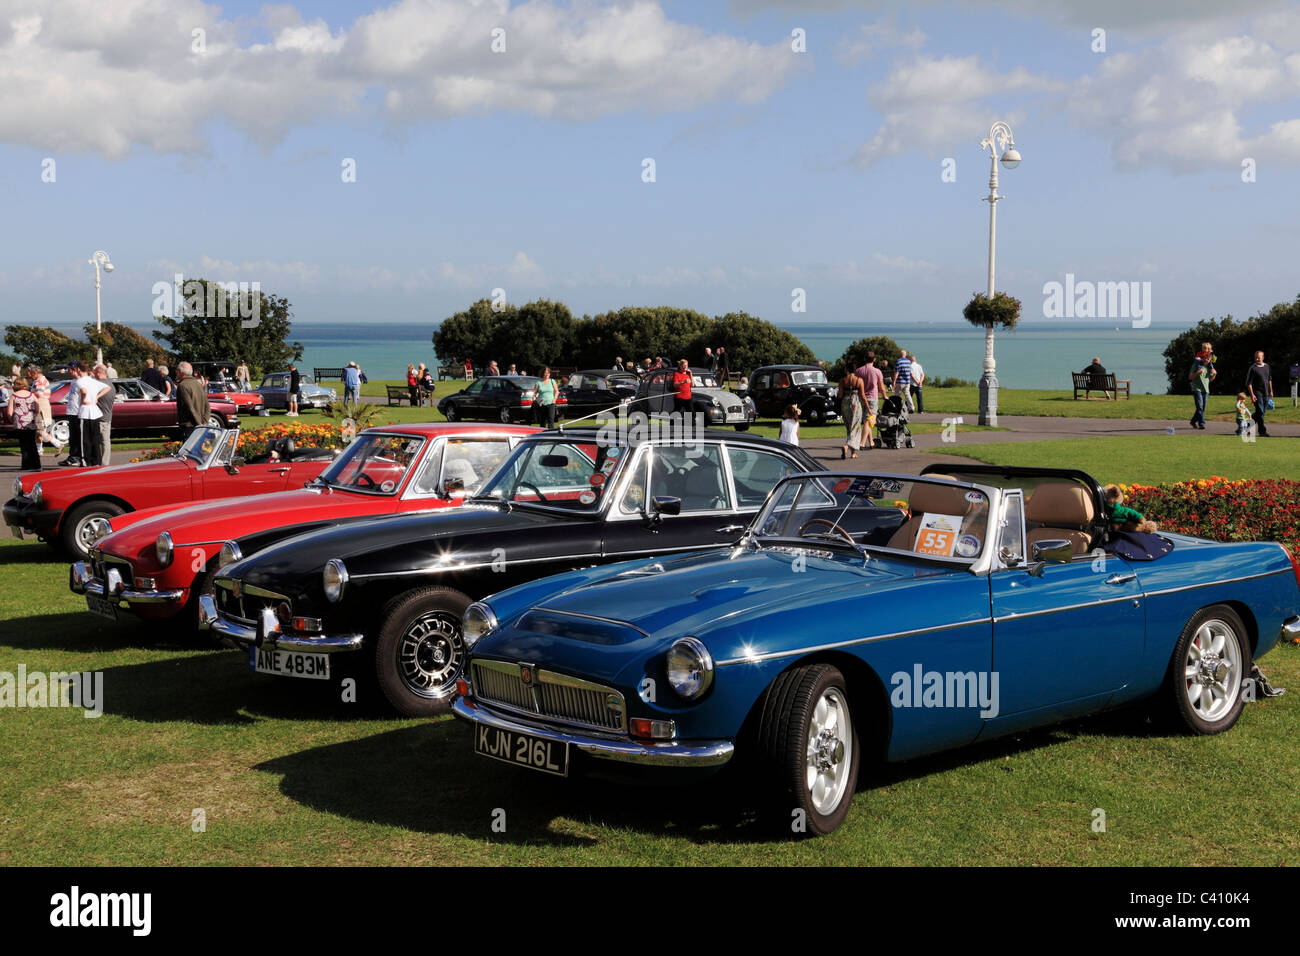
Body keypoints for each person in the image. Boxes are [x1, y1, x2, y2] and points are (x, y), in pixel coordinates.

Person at [75, 364, 109, 466]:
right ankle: (96, 461)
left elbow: (83, 391)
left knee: (84, 440)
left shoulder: (80, 381)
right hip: (95, 412)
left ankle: (86, 461)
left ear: (78, 369)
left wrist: (83, 399)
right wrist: (97, 397)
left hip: (85, 412)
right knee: (95, 439)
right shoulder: (93, 381)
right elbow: (107, 387)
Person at [7, 375, 41, 471]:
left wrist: (12, 419)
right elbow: (38, 409)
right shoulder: (32, 395)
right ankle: (37, 465)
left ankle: (26, 466)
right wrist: (33, 416)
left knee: (24, 444)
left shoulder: (14, 396)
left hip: (20, 422)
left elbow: (9, 412)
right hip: (31, 421)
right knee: (32, 444)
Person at [854, 352, 886, 448]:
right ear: (874, 359)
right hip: (872, 398)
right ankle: (862, 443)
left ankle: (871, 442)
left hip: (861, 397)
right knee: (869, 421)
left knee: (866, 421)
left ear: (864, 359)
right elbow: (881, 386)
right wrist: (884, 395)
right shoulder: (877, 371)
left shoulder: (858, 371)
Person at [176, 361, 209, 441]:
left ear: (180, 371)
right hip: (200, 423)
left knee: (189, 451)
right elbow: (207, 405)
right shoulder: (198, 384)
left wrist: (199, 424)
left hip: (189, 425)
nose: (176, 373)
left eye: (177, 371)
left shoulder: (182, 385)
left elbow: (189, 407)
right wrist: (205, 421)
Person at [59, 361, 85, 466]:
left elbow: (84, 395)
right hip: (71, 411)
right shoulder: (74, 381)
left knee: (78, 436)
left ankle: (78, 457)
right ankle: (72, 456)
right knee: (73, 437)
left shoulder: (81, 381)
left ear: (75, 369)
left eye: (69, 369)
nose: (68, 371)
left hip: (78, 412)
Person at [1245, 350, 1273, 437]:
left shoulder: (1267, 367)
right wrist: (1252, 394)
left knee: (1261, 412)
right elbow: (1248, 383)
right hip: (1257, 393)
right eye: (1256, 357)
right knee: (1260, 411)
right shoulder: (1253, 368)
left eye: (1259, 357)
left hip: (1266, 393)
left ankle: (1247, 426)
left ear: (1263, 357)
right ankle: (1262, 431)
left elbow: (1269, 380)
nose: (1257, 359)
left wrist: (1271, 391)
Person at [839, 371, 867, 459]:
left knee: (849, 428)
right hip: (855, 403)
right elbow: (862, 395)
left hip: (845, 403)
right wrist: (868, 408)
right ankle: (847, 446)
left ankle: (853, 453)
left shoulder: (843, 381)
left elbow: (840, 395)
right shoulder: (859, 380)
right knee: (855, 428)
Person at [27, 365, 54, 454]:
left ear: (35, 373)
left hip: (41, 405)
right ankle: (39, 449)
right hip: (41, 404)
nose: (30, 375)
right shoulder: (38, 380)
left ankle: (56, 444)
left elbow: (39, 393)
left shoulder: (40, 381)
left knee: (40, 429)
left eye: (31, 373)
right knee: (39, 430)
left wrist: (29, 393)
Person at [93, 364, 116, 465]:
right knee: (106, 441)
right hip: (108, 416)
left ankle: (97, 461)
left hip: (98, 417)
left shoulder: (98, 384)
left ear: (98, 373)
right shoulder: (111, 385)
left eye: (94, 373)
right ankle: (105, 462)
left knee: (95, 441)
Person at [1187, 347, 1214, 430]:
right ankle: (1202, 423)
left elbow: (1210, 380)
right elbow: (1190, 377)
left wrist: (1215, 374)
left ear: (1210, 360)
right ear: (1202, 357)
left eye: (1208, 359)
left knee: (1202, 408)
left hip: (1206, 390)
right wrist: (1197, 373)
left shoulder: (1209, 368)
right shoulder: (1196, 366)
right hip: (1197, 389)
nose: (1206, 360)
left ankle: (1193, 421)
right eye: (1205, 358)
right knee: (1200, 407)